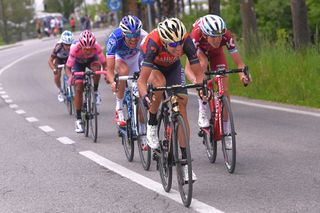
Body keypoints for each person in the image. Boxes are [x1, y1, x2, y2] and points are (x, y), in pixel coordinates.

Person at [138, 17, 205, 182]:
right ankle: (152, 124)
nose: (178, 47)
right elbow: (141, 81)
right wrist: (145, 95)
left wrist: (202, 87)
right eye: (173, 45)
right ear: (164, 42)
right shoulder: (153, 43)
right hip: (152, 66)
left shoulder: (185, 41)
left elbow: (198, 72)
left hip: (173, 67)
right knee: (159, 84)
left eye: (180, 43)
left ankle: (185, 163)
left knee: (181, 103)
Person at [185, 14, 252, 149]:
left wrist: (243, 75)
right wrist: (197, 82)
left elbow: (239, 63)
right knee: (202, 64)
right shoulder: (196, 35)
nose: (217, 40)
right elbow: (188, 69)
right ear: (205, 34)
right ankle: (202, 109)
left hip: (217, 54)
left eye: (219, 36)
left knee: (225, 91)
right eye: (214, 37)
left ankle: (226, 131)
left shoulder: (226, 35)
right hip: (200, 51)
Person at [105, 15, 148, 128]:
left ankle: (143, 131)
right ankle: (118, 107)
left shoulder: (145, 37)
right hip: (120, 59)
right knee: (123, 71)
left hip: (136, 59)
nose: (133, 38)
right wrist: (113, 82)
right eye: (129, 35)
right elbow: (109, 70)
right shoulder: (114, 38)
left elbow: (149, 62)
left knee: (140, 95)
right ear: (123, 33)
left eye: (136, 35)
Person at [66, 30, 106, 133]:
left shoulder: (96, 47)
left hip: (91, 61)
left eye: (90, 49)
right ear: (81, 46)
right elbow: (68, 67)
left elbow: (104, 64)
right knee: (79, 87)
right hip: (78, 64)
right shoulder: (74, 48)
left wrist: (106, 74)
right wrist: (71, 77)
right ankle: (78, 120)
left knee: (97, 68)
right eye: (85, 49)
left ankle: (95, 92)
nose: (88, 51)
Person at [48, 30, 74, 102]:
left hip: (69, 59)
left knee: (72, 74)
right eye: (66, 44)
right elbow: (50, 60)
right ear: (62, 43)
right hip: (59, 59)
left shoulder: (74, 46)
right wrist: (54, 69)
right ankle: (60, 90)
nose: (68, 47)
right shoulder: (58, 47)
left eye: (70, 44)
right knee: (57, 74)